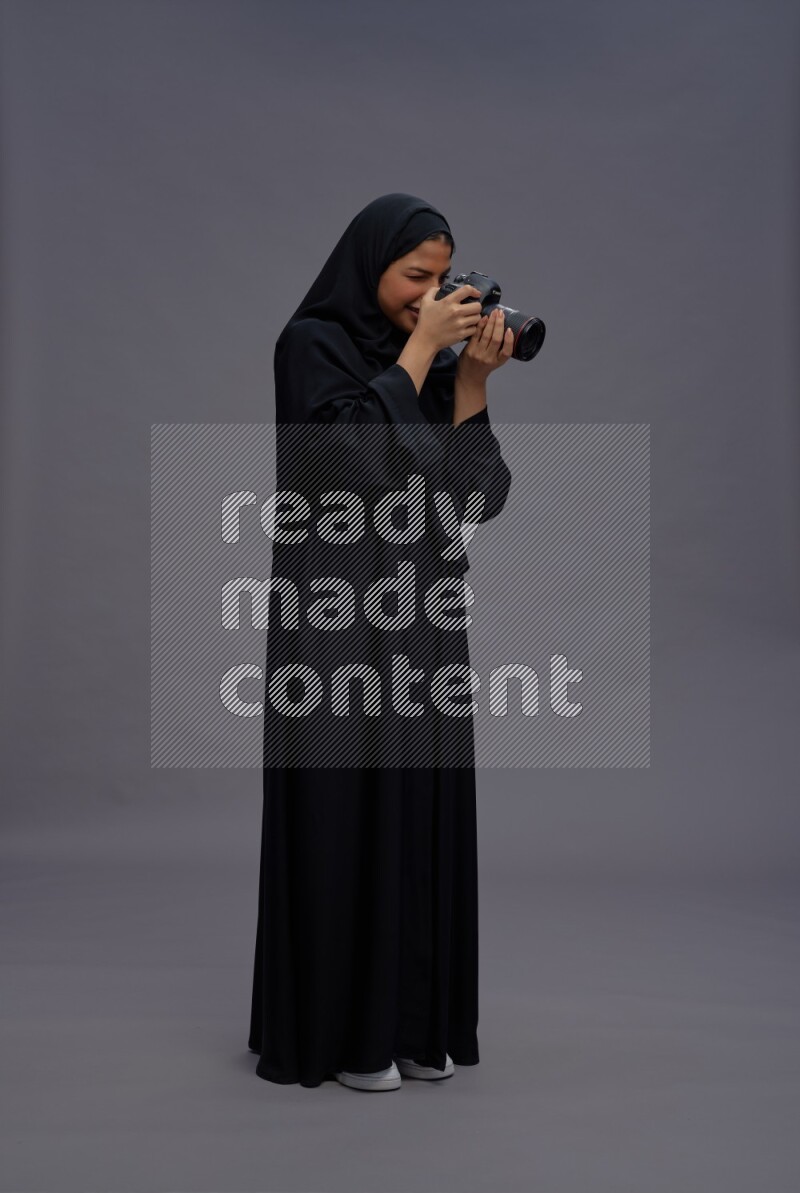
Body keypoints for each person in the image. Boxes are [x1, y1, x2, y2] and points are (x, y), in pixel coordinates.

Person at [248, 192, 513, 1091]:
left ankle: (412, 1027)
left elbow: (477, 496)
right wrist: (421, 353)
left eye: (444, 279)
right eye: (415, 277)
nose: (432, 295)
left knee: (420, 812)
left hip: (423, 620)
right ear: (371, 269)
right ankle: (343, 1036)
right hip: (335, 624)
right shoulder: (310, 345)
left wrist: (469, 383)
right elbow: (344, 461)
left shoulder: (433, 366)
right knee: (343, 811)